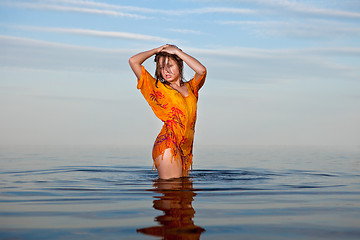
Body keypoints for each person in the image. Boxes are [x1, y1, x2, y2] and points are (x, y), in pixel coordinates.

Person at [129, 44, 206, 179]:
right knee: (172, 192)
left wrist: (177, 51)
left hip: (184, 149)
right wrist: (157, 50)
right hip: (168, 145)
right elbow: (133, 61)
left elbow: (202, 70)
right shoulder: (157, 88)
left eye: (170, 65)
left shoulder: (191, 87)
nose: (166, 71)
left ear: (179, 65)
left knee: (183, 195)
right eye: (161, 67)